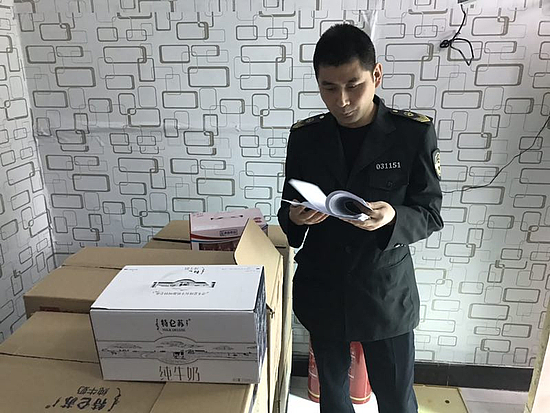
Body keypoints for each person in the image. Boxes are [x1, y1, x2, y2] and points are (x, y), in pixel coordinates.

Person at [277, 24, 444, 413]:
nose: (342, 100)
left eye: (354, 85)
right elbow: (288, 210)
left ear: (376, 75)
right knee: (333, 398)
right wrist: (297, 218)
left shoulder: (411, 134)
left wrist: (392, 217)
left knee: (397, 400)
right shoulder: (305, 137)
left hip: (384, 291)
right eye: (329, 88)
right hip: (324, 288)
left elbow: (430, 213)